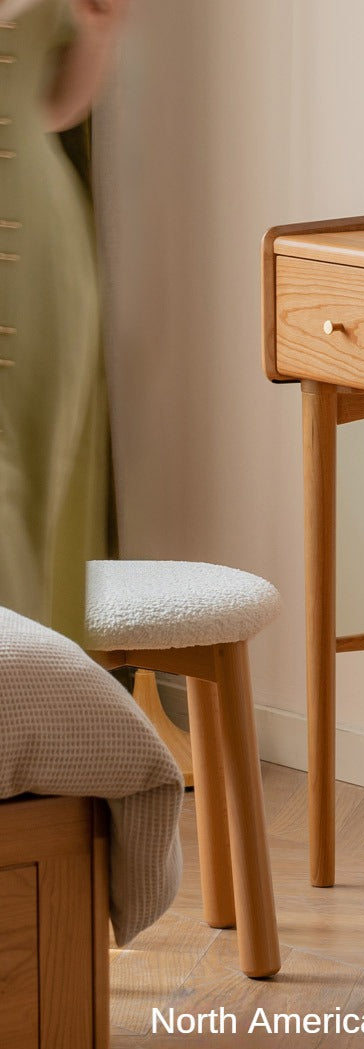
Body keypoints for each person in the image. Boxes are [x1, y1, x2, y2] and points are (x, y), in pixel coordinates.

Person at [0, 0, 128, 641]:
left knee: (34, 493)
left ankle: (28, 693)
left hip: (39, 256)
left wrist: (98, 32)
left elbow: (51, 107)